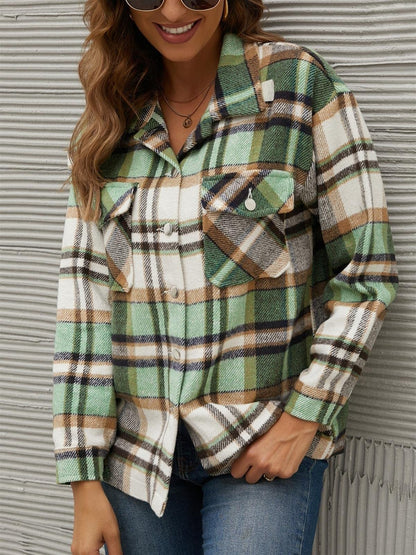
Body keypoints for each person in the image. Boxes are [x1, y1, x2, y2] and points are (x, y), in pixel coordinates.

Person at [52, 0, 398, 553]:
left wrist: (305, 416)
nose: (173, 10)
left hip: (260, 444)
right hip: (139, 457)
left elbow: (366, 272)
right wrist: (83, 477)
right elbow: (84, 306)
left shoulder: (296, 86)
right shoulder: (110, 117)